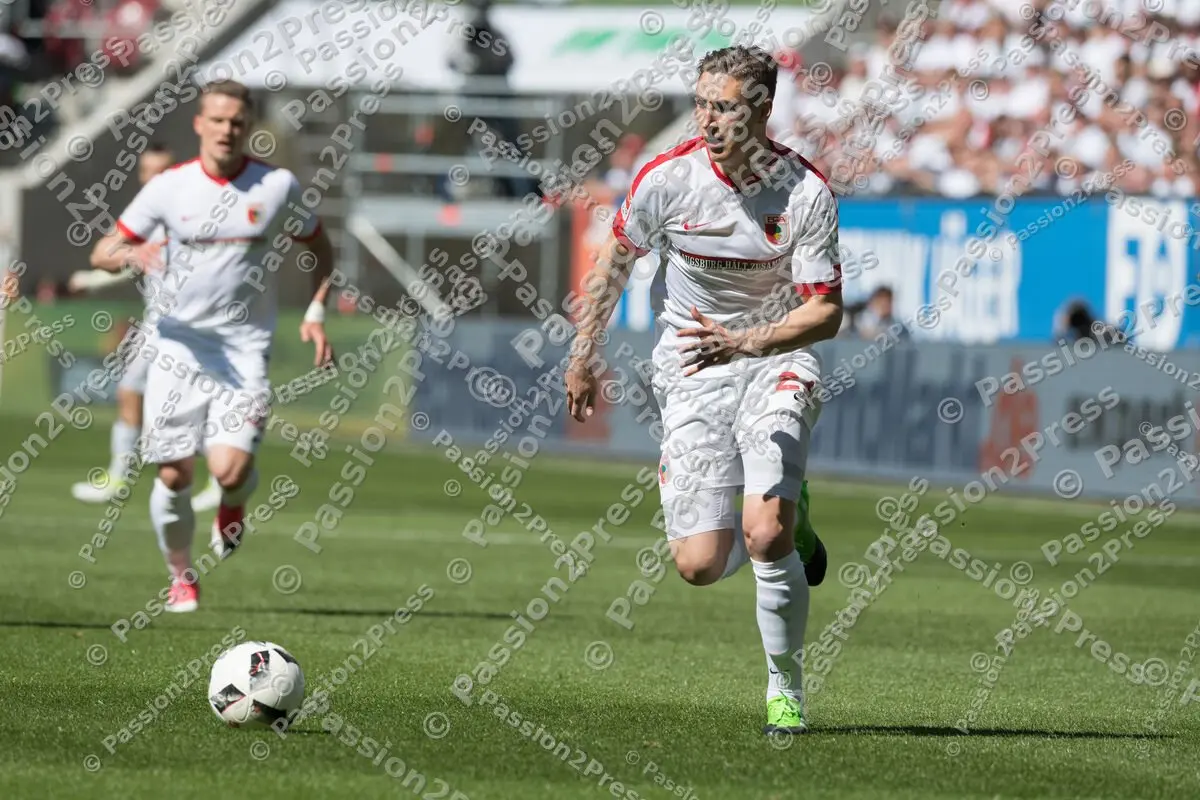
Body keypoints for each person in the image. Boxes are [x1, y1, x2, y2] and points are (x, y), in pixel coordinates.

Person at [564, 46, 841, 736]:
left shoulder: (804, 191)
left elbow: (825, 312)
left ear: (762, 110)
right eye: (703, 103)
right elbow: (615, 261)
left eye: (725, 106)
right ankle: (794, 519)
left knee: (764, 532)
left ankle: (786, 689)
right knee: (697, 564)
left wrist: (748, 341)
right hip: (692, 367)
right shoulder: (666, 178)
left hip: (777, 359)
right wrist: (583, 351)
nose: (709, 119)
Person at [88, 80, 335, 613]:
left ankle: (233, 503)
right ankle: (181, 577)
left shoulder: (276, 186)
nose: (227, 130)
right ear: (200, 124)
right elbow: (103, 250)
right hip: (175, 348)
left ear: (249, 128)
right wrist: (130, 255)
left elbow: (320, 246)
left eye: (237, 122)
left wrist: (316, 311)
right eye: (217, 120)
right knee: (174, 474)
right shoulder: (169, 188)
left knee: (229, 470)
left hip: (243, 351)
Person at [69, 144, 222, 510]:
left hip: (196, 325)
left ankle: (219, 482)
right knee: (128, 390)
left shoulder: (194, 211)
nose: (154, 178)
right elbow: (117, 257)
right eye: (147, 171)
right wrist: (100, 274)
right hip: (157, 323)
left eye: (162, 170)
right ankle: (118, 477)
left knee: (201, 406)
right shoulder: (145, 213)